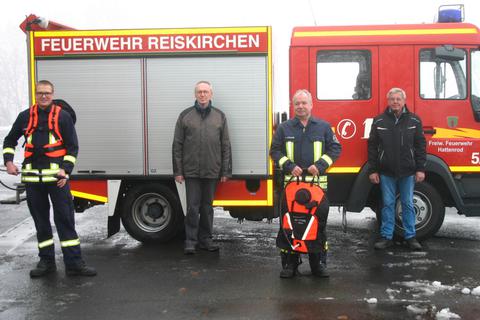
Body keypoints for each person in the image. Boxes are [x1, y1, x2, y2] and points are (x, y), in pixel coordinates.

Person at [2, 80, 96, 277]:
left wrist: (66, 170)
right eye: (40, 93)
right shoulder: (25, 117)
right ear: (35, 95)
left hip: (57, 181)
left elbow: (72, 147)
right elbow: (10, 140)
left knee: (65, 221)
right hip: (33, 181)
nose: (43, 96)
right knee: (41, 223)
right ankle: (46, 263)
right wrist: (9, 161)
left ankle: (74, 264)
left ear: (52, 95)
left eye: (47, 93)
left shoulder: (62, 117)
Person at [270, 89, 341, 278]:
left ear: (311, 105)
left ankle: (318, 265)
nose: (300, 106)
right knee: (289, 225)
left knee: (318, 226)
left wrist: (320, 165)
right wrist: (289, 166)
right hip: (291, 187)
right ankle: (290, 265)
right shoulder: (284, 128)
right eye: (297, 103)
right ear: (293, 106)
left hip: (317, 188)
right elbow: (275, 151)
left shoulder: (324, 127)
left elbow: (336, 148)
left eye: (304, 103)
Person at [172, 81, 232, 255]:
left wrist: (225, 171)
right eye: (199, 92)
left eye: (205, 91)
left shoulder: (220, 116)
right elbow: (177, 144)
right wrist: (178, 171)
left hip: (212, 170)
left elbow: (225, 145)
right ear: (195, 94)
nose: (202, 95)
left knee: (207, 208)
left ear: (211, 94)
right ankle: (190, 241)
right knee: (192, 207)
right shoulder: (185, 116)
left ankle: (206, 240)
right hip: (191, 172)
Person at [368, 87, 426, 251]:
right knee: (388, 204)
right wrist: (373, 170)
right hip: (386, 172)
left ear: (404, 101)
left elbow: (420, 146)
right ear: (388, 101)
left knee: (407, 203)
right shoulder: (379, 121)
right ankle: (386, 236)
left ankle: (410, 236)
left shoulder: (414, 121)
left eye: (398, 99)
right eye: (392, 99)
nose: (395, 102)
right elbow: (372, 147)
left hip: (408, 171)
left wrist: (420, 168)